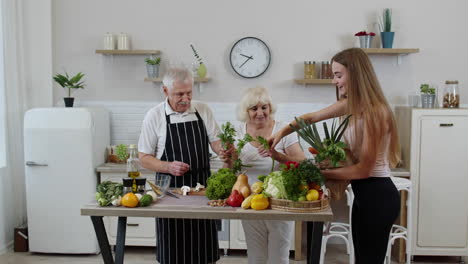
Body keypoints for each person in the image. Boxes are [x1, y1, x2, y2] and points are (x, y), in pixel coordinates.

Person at [269, 48, 401, 264]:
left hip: (378, 196)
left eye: (338, 75)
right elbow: (311, 118)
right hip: (364, 195)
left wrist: (320, 172)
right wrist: (281, 133)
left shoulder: (376, 112)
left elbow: (363, 170)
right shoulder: (355, 106)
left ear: (356, 75)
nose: (334, 81)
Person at [138, 67, 227, 264]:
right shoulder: (155, 116)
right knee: (173, 253)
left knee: (204, 252)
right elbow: (144, 157)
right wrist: (168, 166)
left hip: (202, 191)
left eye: (189, 93)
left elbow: (216, 142)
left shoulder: (203, 110)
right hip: (170, 192)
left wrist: (224, 150)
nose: (185, 99)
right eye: (179, 94)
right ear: (165, 91)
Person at [233, 86, 305, 264]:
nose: (260, 113)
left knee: (279, 256)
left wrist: (277, 155)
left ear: (270, 108)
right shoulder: (238, 132)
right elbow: (233, 169)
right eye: (254, 108)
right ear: (246, 111)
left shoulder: (284, 130)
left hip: (279, 201)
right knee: (255, 255)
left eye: (264, 107)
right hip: (249, 201)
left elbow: (301, 163)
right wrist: (227, 158)